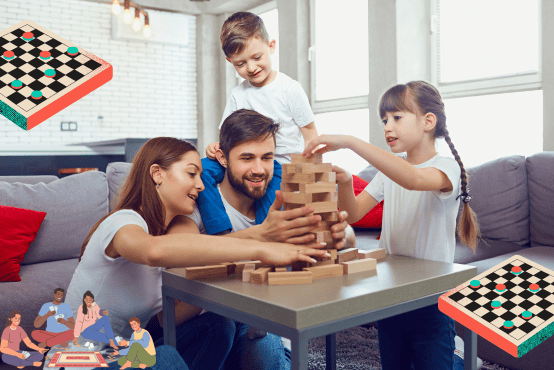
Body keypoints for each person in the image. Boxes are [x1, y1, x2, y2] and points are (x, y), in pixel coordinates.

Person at [65, 137, 329, 370]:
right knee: (166, 357)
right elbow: (153, 252)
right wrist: (262, 248)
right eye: (192, 174)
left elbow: (194, 250)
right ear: (157, 174)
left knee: (218, 326)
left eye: (201, 176)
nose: (201, 185)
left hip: (123, 357)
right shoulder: (122, 223)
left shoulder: (167, 237)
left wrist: (262, 234)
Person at [302, 81, 480, 370]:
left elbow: (414, 180)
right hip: (390, 293)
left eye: (397, 118)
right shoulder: (390, 170)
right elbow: (356, 213)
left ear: (428, 121)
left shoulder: (446, 167)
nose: (387, 127)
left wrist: (350, 141)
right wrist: (346, 183)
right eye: (384, 120)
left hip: (430, 298)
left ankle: (461, 361)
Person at [167, 109, 355, 369]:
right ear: (221, 156)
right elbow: (177, 255)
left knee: (265, 350)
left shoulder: (281, 201)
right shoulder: (197, 204)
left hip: (265, 328)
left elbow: (350, 236)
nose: (258, 169)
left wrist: (338, 232)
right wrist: (261, 240)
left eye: (266, 157)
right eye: (247, 158)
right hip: (215, 328)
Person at [197, 11, 319, 236]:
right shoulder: (237, 94)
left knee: (270, 206)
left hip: (280, 165)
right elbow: (227, 135)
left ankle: (266, 244)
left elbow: (311, 133)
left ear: (271, 46)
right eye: (241, 64)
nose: (251, 68)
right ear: (229, 62)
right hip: (244, 160)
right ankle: (220, 233)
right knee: (201, 168)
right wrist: (214, 147)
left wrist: (309, 169)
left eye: (257, 57)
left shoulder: (289, 89)